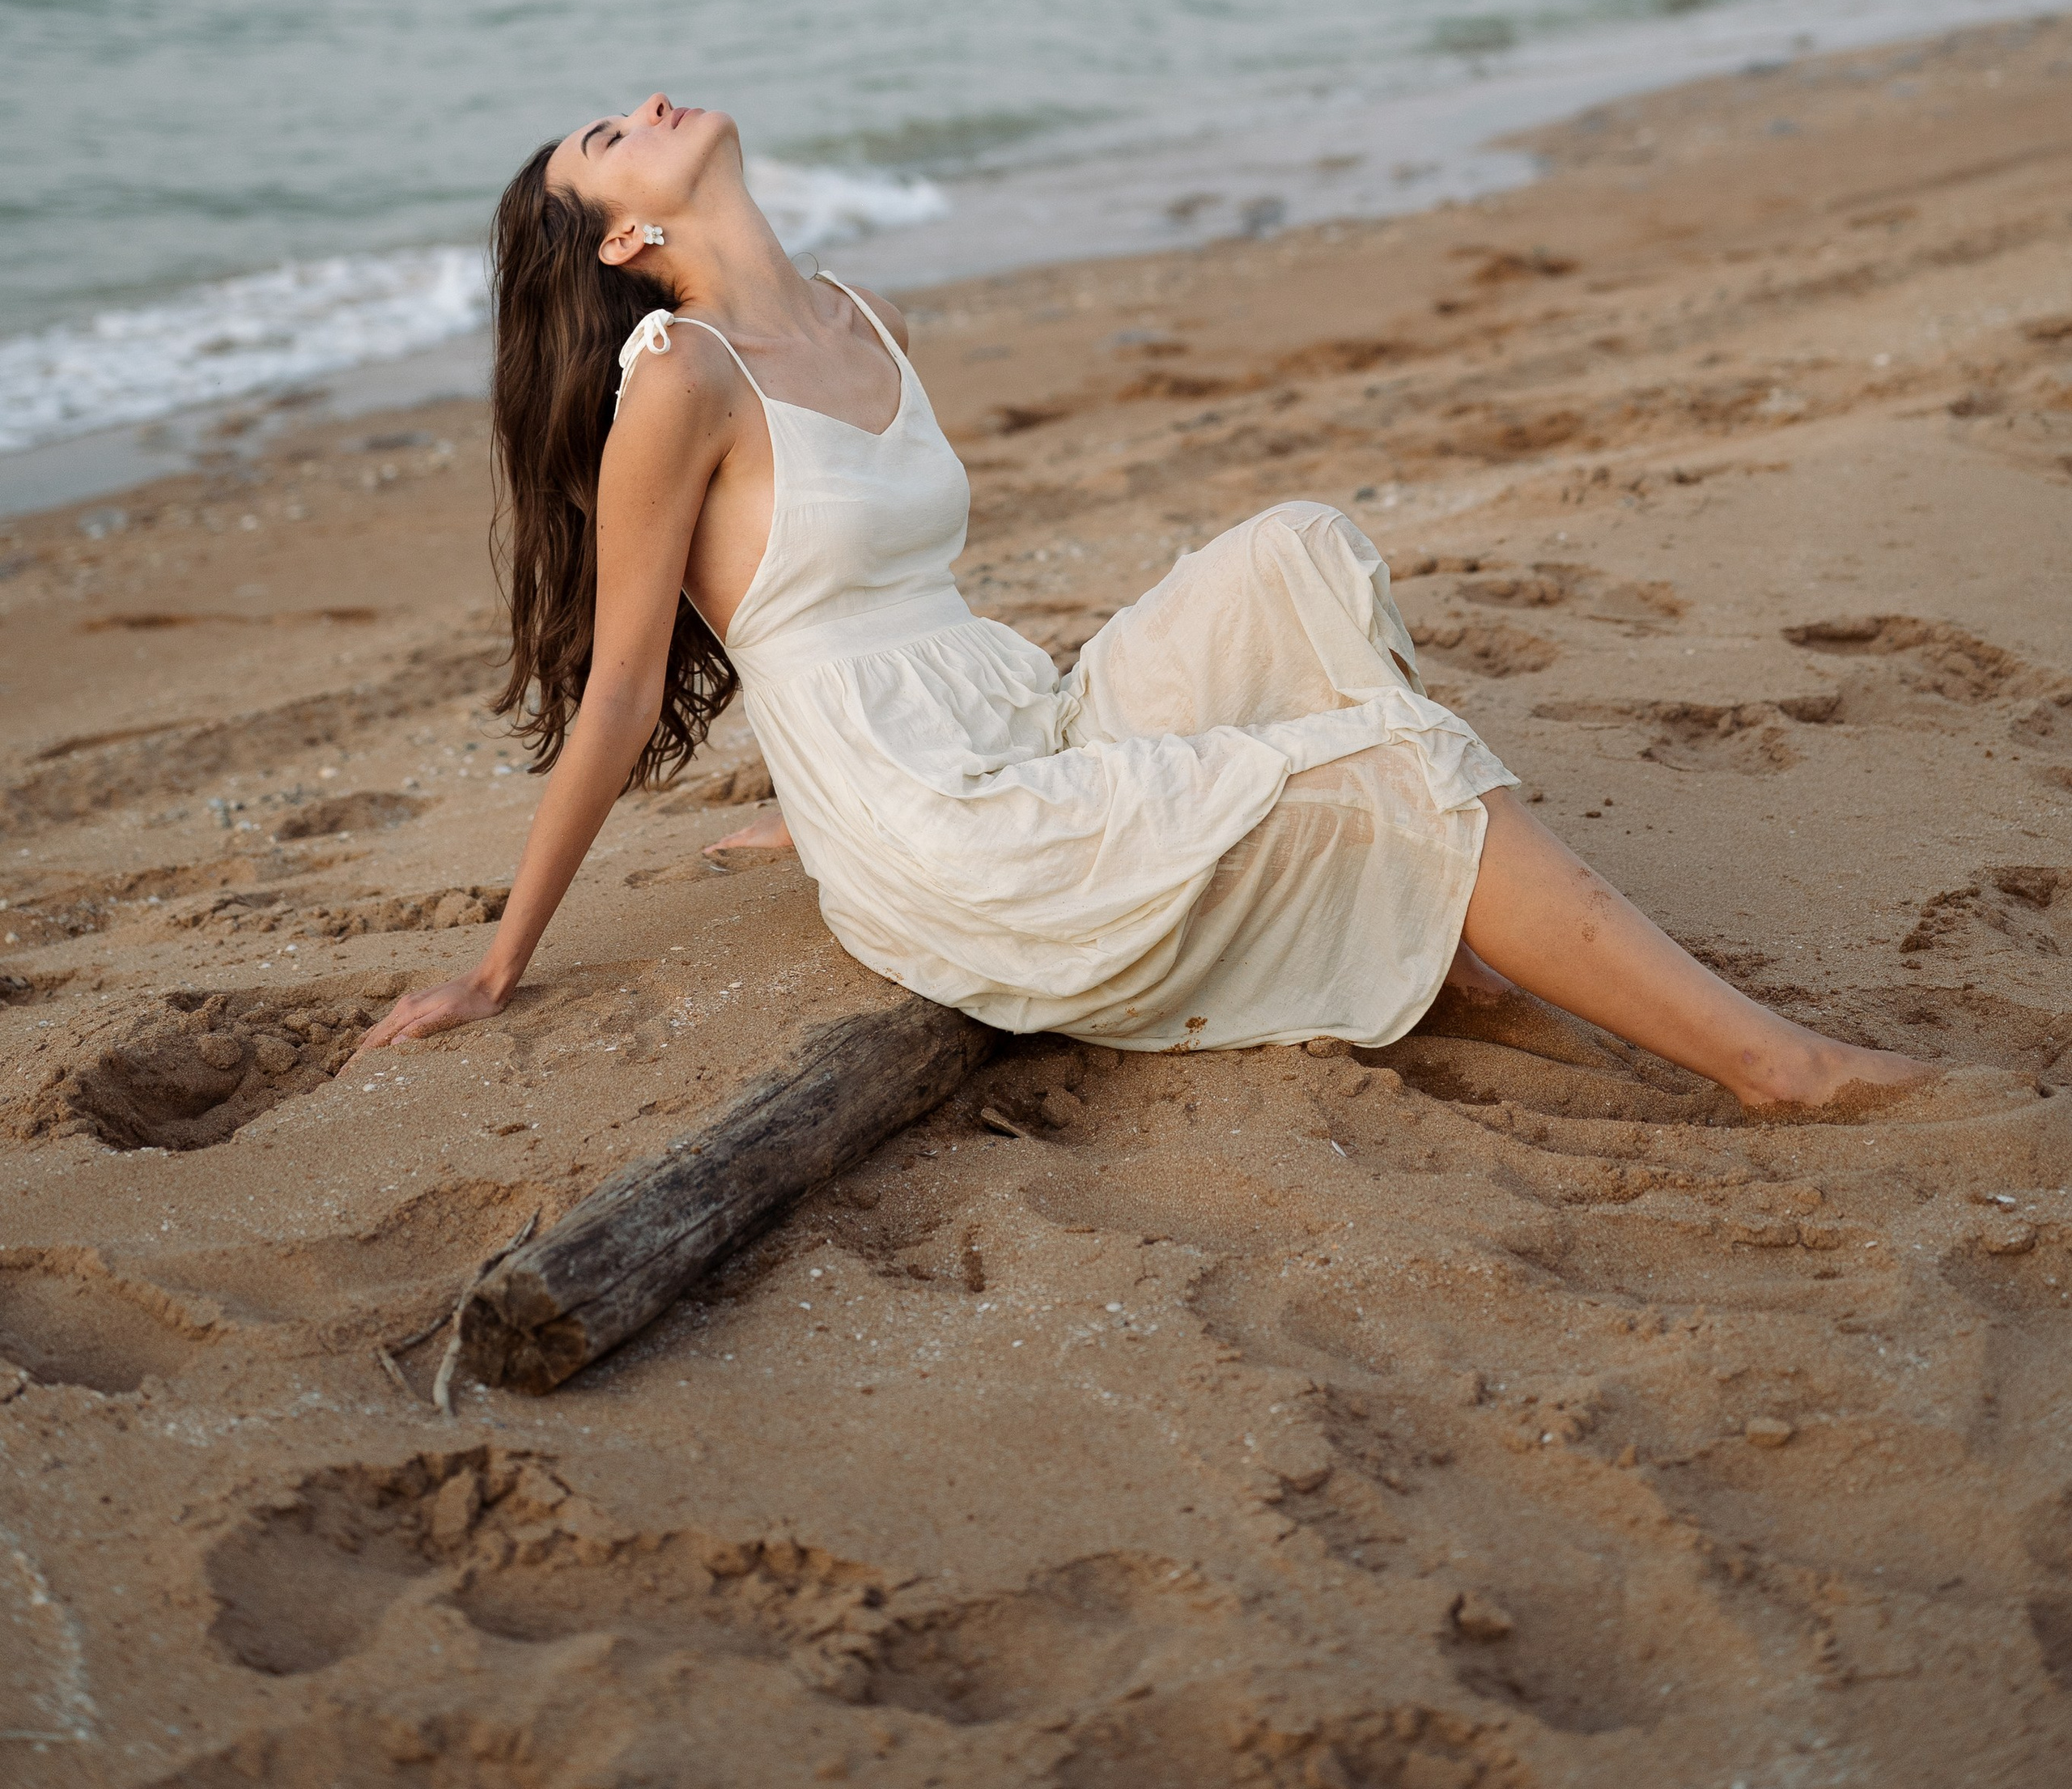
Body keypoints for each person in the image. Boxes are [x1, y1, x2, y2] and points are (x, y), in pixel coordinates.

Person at [358, 93, 1929, 1111]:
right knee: (1381, 758)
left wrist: (801, 793)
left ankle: (1445, 934)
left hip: (1012, 716)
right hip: (944, 817)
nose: (641, 110)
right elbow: (631, 681)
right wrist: (501, 962)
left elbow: (861, 585)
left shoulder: (858, 317)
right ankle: (1774, 1070)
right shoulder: (678, 374)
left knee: (1295, 546)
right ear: (629, 238)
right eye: (606, 141)